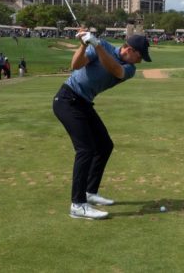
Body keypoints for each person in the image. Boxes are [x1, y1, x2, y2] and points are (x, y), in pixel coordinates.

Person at [53, 32, 151, 220]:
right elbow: (75, 65)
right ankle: (78, 204)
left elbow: (115, 70)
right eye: (140, 56)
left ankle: (89, 192)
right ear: (129, 49)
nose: (140, 61)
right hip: (67, 99)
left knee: (105, 145)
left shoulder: (128, 68)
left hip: (84, 104)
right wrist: (83, 45)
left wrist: (96, 45)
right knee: (85, 149)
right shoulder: (103, 46)